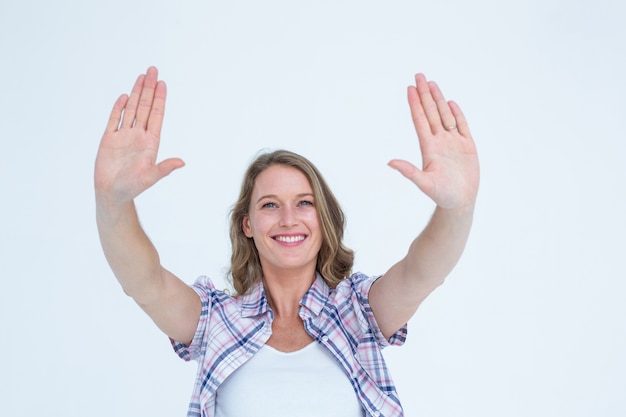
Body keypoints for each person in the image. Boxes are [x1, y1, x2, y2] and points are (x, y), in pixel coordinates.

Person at [95, 66, 479, 417]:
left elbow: (422, 272)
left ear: (323, 218)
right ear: (247, 224)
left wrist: (456, 209)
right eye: (270, 205)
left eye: (304, 203)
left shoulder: (358, 311)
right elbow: (143, 282)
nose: (288, 218)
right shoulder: (216, 318)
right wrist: (113, 201)